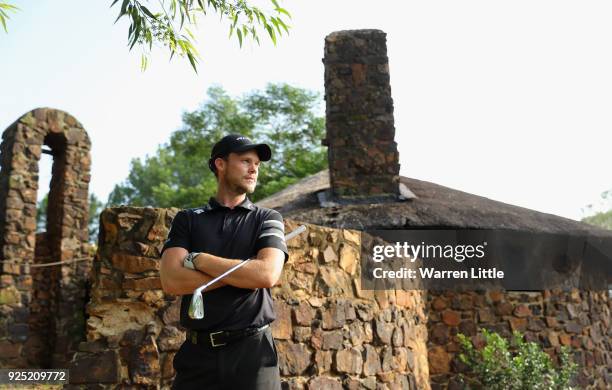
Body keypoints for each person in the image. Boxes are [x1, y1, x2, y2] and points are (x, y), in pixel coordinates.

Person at [160, 134, 288, 390]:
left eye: (257, 164)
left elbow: (265, 275)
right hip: (198, 354)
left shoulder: (268, 218)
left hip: (253, 354)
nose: (254, 169)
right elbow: (172, 280)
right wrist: (243, 270)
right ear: (220, 164)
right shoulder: (188, 219)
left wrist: (200, 259)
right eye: (245, 161)